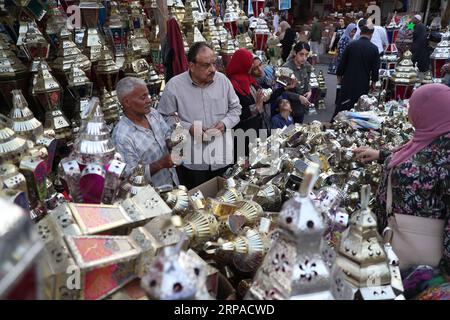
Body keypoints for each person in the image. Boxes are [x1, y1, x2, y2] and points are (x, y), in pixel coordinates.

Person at [353, 83, 450, 281]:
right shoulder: (430, 136)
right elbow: (418, 158)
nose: (409, 111)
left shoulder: (446, 149)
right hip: (398, 244)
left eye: (414, 106)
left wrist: (447, 270)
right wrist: (382, 155)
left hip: (425, 264)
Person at [157, 42, 242, 190]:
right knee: (198, 203)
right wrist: (189, 128)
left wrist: (224, 124)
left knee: (226, 199)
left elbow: (236, 109)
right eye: (206, 65)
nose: (213, 69)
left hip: (222, 156)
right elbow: (164, 118)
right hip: (193, 160)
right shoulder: (175, 86)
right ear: (191, 66)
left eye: (214, 63)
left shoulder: (222, 81)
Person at [112, 77, 179, 188]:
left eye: (147, 95)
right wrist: (160, 164)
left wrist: (171, 142)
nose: (149, 100)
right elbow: (130, 176)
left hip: (171, 183)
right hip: (150, 197)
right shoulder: (122, 137)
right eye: (143, 97)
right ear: (127, 102)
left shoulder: (152, 113)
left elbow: (166, 133)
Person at [333, 18, 380, 118]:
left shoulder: (351, 45)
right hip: (363, 83)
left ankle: (337, 124)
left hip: (348, 81)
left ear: (361, 31)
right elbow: (375, 70)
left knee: (344, 105)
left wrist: (339, 80)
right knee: (359, 106)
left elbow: (342, 64)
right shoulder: (374, 49)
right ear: (371, 33)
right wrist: (373, 83)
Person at [282, 41, 313, 124]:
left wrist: (309, 90)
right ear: (295, 53)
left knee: (299, 130)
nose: (304, 58)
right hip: (289, 108)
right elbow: (282, 91)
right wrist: (298, 97)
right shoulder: (286, 68)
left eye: (306, 55)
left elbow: (308, 81)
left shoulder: (307, 65)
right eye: (301, 54)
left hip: (301, 107)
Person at [411, 14, 431, 78]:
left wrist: (410, 24)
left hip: (418, 45)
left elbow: (409, 31)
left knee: (415, 57)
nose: (412, 20)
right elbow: (408, 29)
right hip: (420, 45)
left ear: (417, 20)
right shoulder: (419, 25)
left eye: (413, 19)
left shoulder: (419, 26)